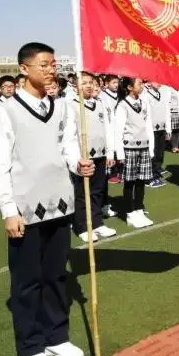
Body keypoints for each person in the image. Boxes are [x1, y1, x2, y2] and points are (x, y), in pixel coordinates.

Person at [0, 42, 93, 356]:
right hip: (25, 207)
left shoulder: (62, 106)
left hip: (60, 201)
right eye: (44, 64)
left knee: (56, 275)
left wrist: (79, 163)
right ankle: (30, 347)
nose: (51, 70)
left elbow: (68, 145)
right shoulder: (3, 109)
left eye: (53, 64)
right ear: (24, 69)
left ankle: (56, 336)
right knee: (27, 281)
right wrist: (9, 210)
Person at [67, 72, 116, 243]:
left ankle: (96, 222)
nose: (88, 86)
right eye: (84, 83)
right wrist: (77, 158)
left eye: (91, 82)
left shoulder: (100, 103)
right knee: (82, 192)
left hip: (101, 154)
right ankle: (81, 225)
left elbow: (107, 129)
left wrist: (110, 152)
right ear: (75, 86)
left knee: (97, 190)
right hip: (83, 158)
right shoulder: (71, 106)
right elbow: (70, 136)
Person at [114, 77, 155, 229]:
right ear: (129, 87)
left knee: (141, 181)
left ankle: (139, 209)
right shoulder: (122, 106)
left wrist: (150, 148)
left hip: (143, 147)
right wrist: (120, 154)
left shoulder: (144, 103)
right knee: (129, 182)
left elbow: (148, 125)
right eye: (139, 83)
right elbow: (118, 130)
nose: (142, 85)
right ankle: (130, 213)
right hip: (129, 148)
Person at [141, 81, 171, 188]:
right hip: (151, 129)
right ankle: (149, 177)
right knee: (151, 153)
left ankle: (156, 173)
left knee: (159, 153)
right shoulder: (145, 95)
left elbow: (167, 111)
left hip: (161, 128)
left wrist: (168, 128)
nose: (159, 83)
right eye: (156, 80)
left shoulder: (162, 93)